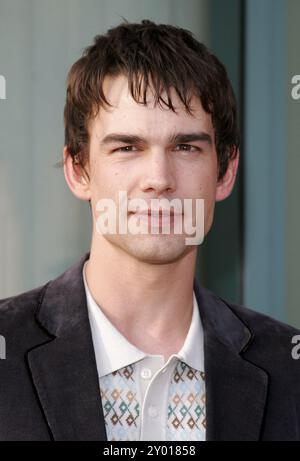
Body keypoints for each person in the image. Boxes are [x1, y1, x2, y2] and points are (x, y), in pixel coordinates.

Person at [0, 19, 299, 442]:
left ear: (225, 172)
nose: (159, 178)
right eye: (127, 147)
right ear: (78, 170)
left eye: (186, 147)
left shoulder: (288, 369)